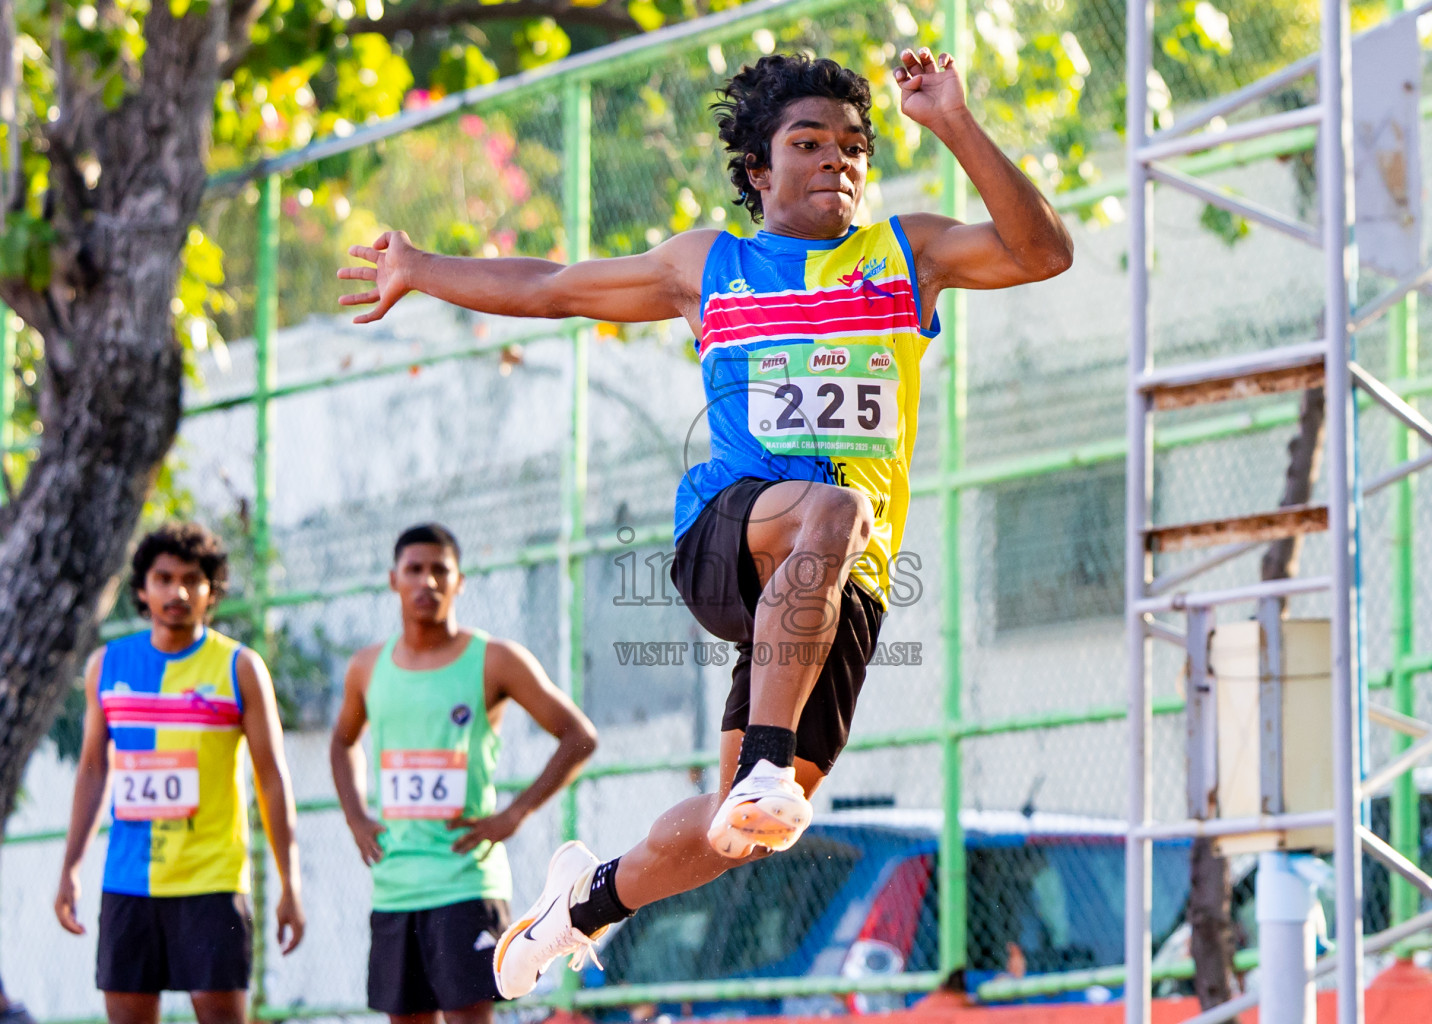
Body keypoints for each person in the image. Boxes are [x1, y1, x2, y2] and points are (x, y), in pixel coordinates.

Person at [338, 47, 1073, 998]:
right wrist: (422, 268)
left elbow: (1043, 253)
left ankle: (581, 905)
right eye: (807, 144)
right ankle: (767, 761)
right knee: (832, 509)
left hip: (839, 584)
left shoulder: (908, 256)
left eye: (853, 147)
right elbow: (555, 286)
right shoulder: (710, 267)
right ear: (760, 171)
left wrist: (957, 125)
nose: (836, 162)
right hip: (732, 535)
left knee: (741, 832)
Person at [329, 523, 597, 1020]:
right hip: (395, 885)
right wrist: (355, 817)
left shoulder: (495, 659)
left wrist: (515, 813)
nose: (426, 582)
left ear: (460, 581)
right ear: (393, 580)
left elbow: (578, 736)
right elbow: (343, 741)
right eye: (414, 570)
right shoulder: (367, 667)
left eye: (439, 570)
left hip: (466, 881)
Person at [54, 522, 305, 1024]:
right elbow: (92, 769)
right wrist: (70, 868)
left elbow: (272, 777)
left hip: (211, 880)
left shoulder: (240, 668)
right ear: (142, 590)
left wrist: (290, 882)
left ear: (212, 591)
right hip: (129, 881)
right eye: (164, 578)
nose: (178, 591)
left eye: (192, 579)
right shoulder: (107, 665)